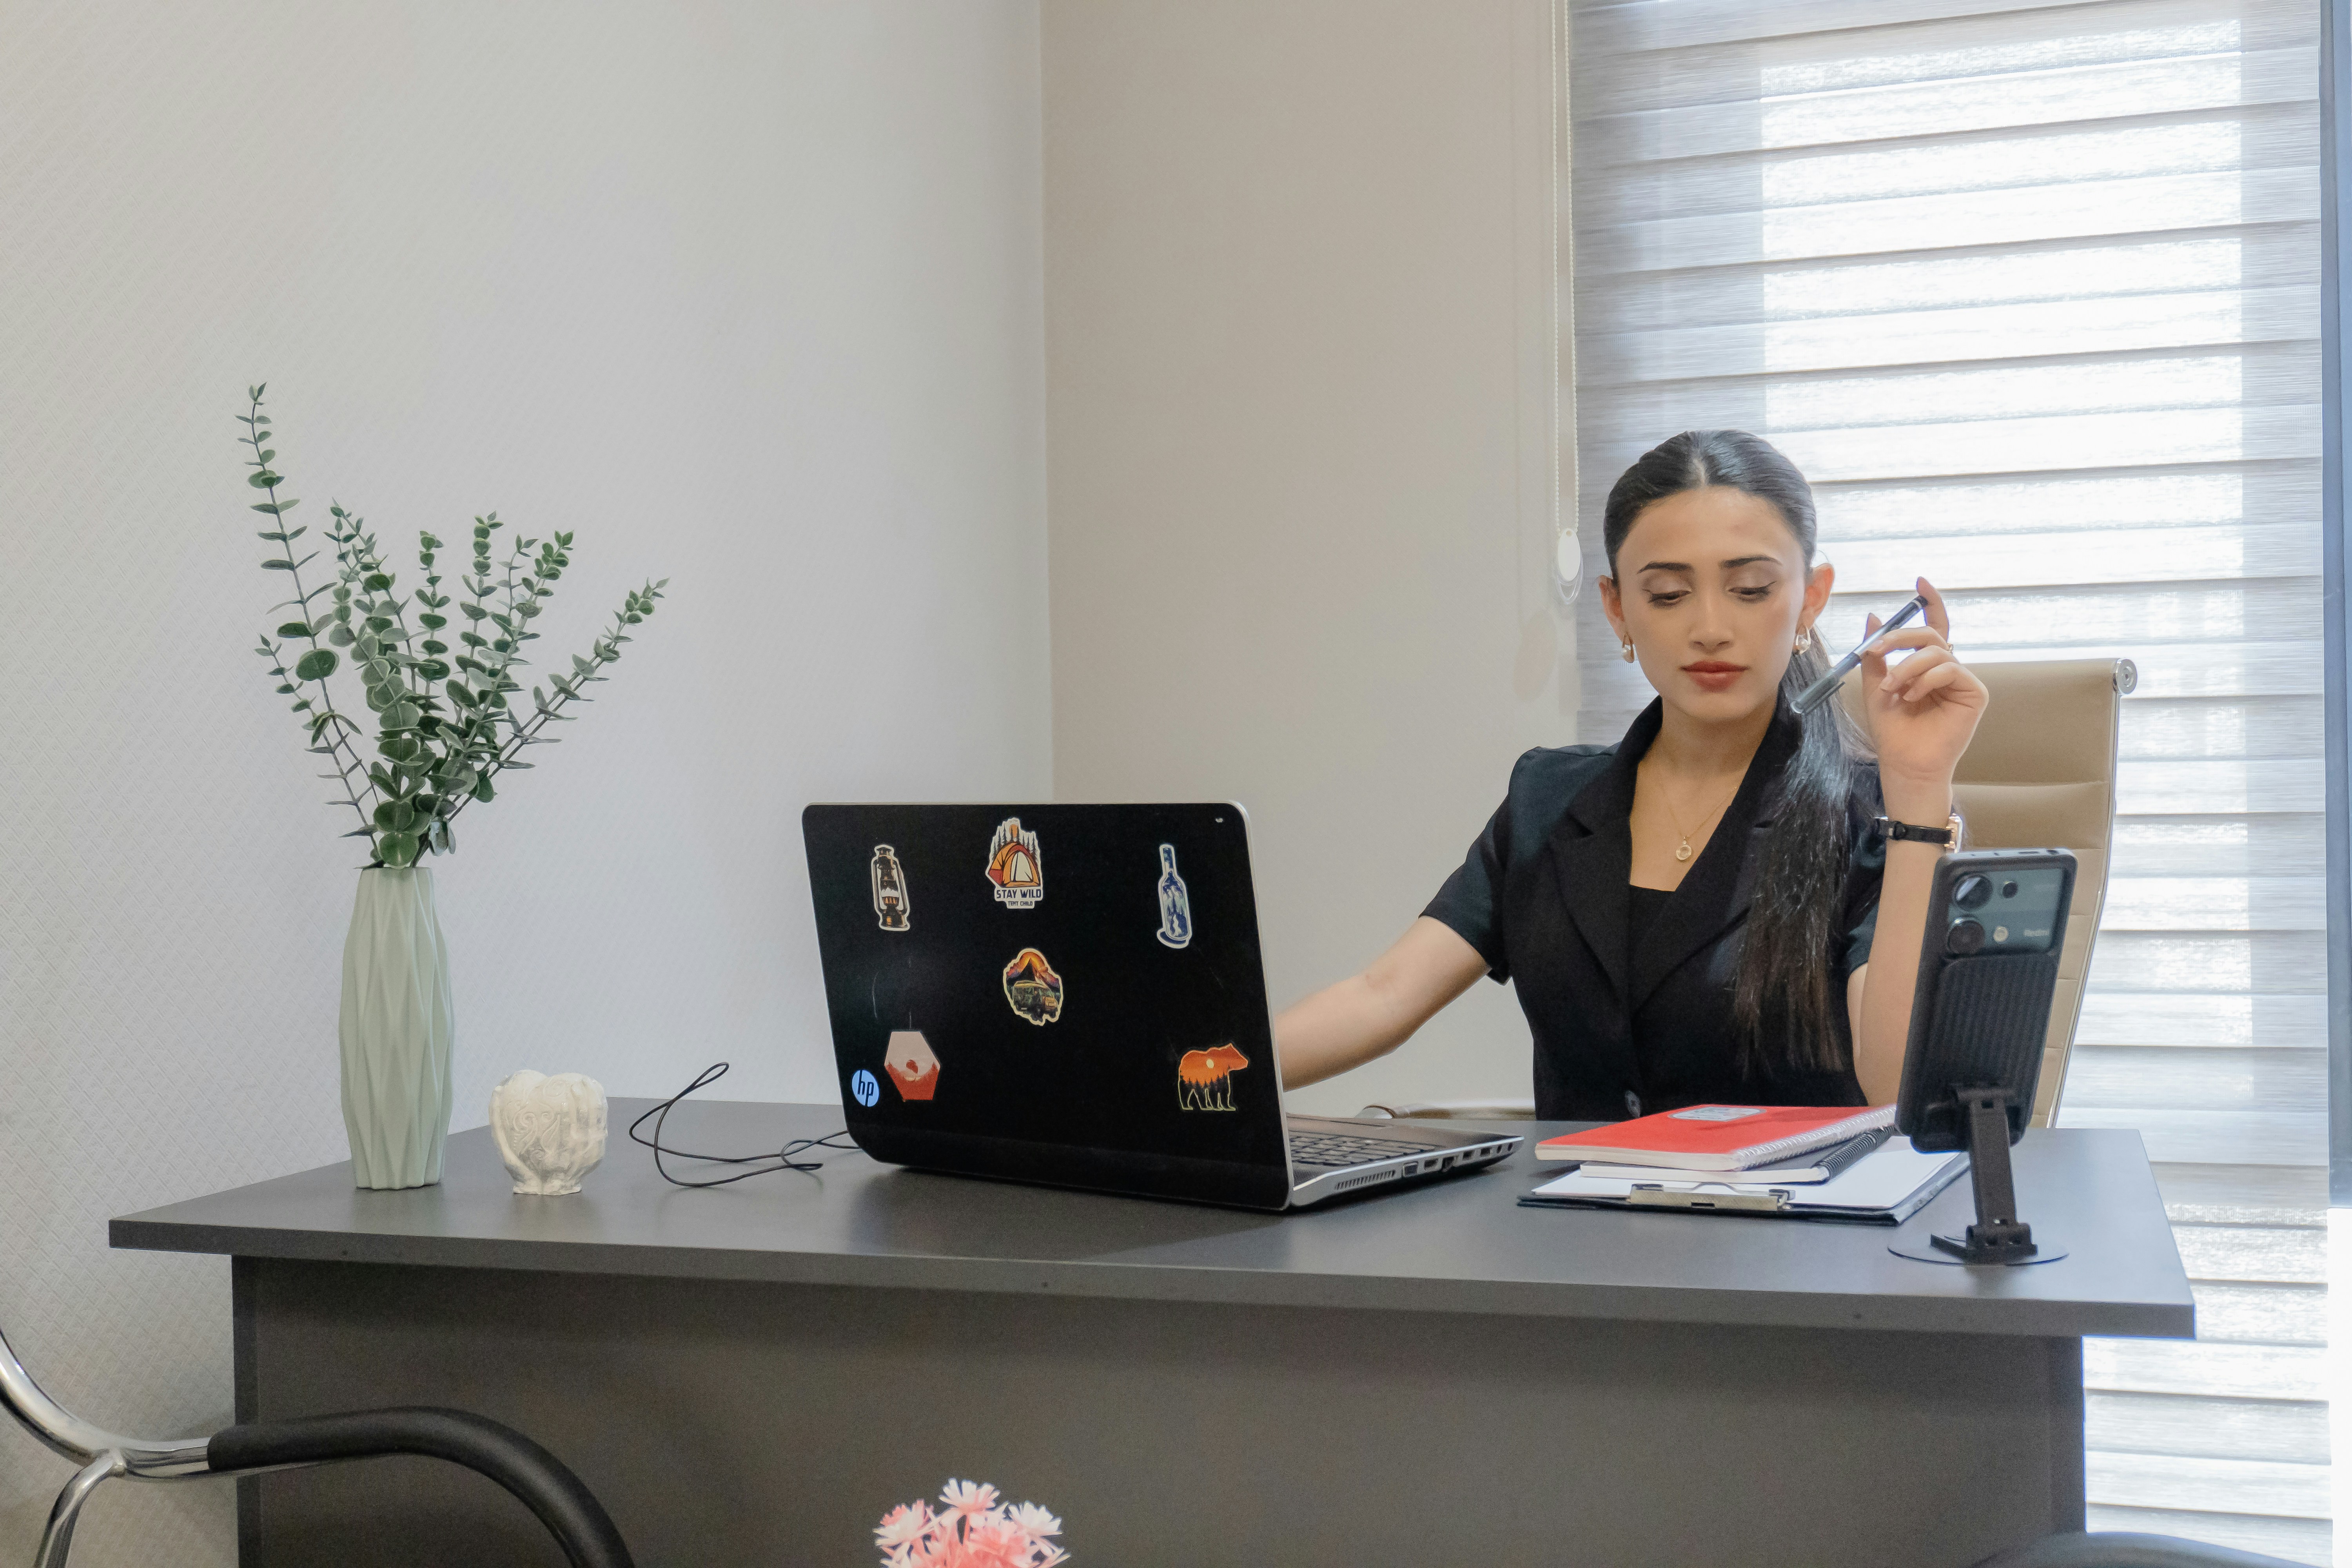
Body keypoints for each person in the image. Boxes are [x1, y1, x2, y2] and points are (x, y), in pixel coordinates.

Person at [1276, 430, 1987, 1116]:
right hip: (1573, 1227)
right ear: (1618, 609)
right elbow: (1382, 996)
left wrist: (1920, 793)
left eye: (1750, 589)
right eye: (1669, 595)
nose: (1710, 627)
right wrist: (1190, 1072)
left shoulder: (1875, 818)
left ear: (1810, 597)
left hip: (1791, 1230)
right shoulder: (1549, 800)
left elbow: (1897, 1088)